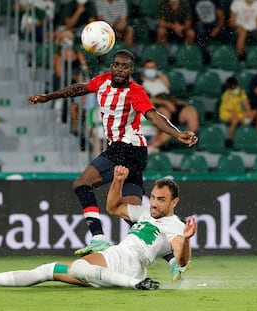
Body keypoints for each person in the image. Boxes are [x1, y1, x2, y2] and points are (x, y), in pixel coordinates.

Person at [28, 49, 198, 257]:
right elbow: (80, 89)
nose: (119, 69)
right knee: (130, 213)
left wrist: (176, 133)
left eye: (125, 66)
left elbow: (153, 116)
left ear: (131, 70)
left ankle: (98, 238)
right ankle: (172, 258)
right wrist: (49, 97)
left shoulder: (135, 91)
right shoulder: (102, 81)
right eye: (116, 64)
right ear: (111, 66)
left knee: (82, 184)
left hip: (126, 147)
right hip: (136, 152)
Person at [0, 165, 197, 289]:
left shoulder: (175, 227)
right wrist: (117, 181)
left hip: (129, 264)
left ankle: (137, 284)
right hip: (113, 258)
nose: (154, 203)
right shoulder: (146, 212)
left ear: (174, 202)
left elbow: (182, 260)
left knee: (77, 269)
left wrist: (186, 239)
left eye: (161, 200)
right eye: (154, 197)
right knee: (48, 269)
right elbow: (114, 207)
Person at [139, 59, 199, 153]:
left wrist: (176, 101)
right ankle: (153, 146)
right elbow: (148, 99)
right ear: (143, 69)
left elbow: (167, 94)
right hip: (158, 105)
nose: (151, 70)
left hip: (171, 103)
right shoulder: (141, 84)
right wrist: (165, 103)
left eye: (153, 67)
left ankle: (191, 141)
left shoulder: (161, 81)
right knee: (164, 116)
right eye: (148, 68)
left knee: (191, 112)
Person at [219, 76, 257, 145]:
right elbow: (231, 111)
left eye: (235, 87)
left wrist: (248, 112)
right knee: (235, 120)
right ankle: (230, 140)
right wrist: (243, 116)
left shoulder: (241, 92)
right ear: (228, 88)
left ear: (237, 85)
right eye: (232, 88)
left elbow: (245, 103)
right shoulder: (226, 96)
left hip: (239, 112)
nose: (235, 89)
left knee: (254, 112)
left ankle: (245, 131)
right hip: (227, 112)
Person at [190, 0, 228, 64]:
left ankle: (225, 57)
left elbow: (221, 17)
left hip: (213, 25)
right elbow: (190, 17)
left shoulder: (215, 1)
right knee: (200, 32)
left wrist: (217, 28)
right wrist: (196, 21)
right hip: (200, 25)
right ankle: (205, 56)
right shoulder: (193, 1)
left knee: (227, 34)